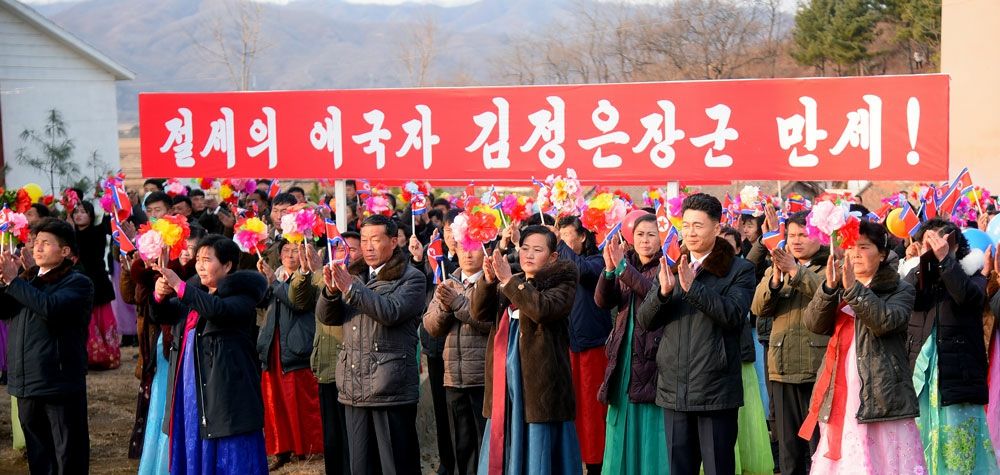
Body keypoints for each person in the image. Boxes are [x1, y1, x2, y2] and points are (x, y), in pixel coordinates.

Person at [635, 193, 756, 475]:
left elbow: (734, 315)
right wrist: (663, 294)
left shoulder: (740, 270)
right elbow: (645, 321)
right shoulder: (674, 265)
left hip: (715, 387)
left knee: (718, 467)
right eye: (686, 225)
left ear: (717, 228)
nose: (690, 232)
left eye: (698, 226)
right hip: (673, 386)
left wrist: (694, 289)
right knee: (679, 468)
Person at [802, 220, 925, 473]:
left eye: (864, 247)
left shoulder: (900, 288)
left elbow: (885, 321)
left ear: (882, 254)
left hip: (882, 390)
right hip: (841, 386)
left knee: (884, 458)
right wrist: (828, 288)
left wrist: (853, 289)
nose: (855, 253)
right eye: (850, 247)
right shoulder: (838, 285)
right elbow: (814, 324)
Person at [315, 215, 426, 475]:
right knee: (361, 464)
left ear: (394, 240)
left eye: (375, 240)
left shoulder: (411, 278)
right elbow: (327, 317)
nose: (368, 247)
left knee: (395, 464)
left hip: (390, 385)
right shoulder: (354, 273)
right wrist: (331, 292)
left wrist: (351, 289)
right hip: (354, 383)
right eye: (364, 240)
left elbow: (391, 311)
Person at [149, 235, 269, 475]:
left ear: (227, 265)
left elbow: (217, 310)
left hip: (226, 394)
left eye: (207, 260)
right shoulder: (196, 293)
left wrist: (179, 286)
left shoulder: (242, 295)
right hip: (192, 391)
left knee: (230, 457)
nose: (200, 266)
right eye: (198, 260)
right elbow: (164, 315)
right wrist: (160, 295)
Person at [472, 225, 583, 474]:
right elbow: (479, 313)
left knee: (539, 451)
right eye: (524, 249)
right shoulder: (514, 279)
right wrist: (489, 281)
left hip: (540, 385)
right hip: (504, 384)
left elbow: (542, 309)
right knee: (504, 437)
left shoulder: (563, 279)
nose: (528, 255)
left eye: (537, 250)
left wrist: (509, 281)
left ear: (553, 256)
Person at [899, 218, 996, 473]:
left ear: (955, 245)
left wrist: (945, 262)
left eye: (940, 243)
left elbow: (967, 297)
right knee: (919, 446)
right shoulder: (914, 277)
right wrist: (923, 264)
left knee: (959, 452)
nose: (933, 248)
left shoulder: (974, 275)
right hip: (920, 377)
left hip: (958, 378)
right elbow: (908, 299)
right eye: (927, 243)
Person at [0, 217, 94, 473]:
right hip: (26, 382)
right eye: (35, 242)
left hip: (59, 382)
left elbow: (49, 308)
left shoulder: (77, 282)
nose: (37, 248)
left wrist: (15, 281)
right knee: (39, 454)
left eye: (45, 243)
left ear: (64, 251)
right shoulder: (29, 280)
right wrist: (8, 280)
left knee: (68, 453)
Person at [750, 211, 829, 475]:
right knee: (788, 449)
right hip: (782, 369)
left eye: (803, 234)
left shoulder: (831, 263)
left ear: (819, 235)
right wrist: (774, 279)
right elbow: (758, 307)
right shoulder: (777, 266)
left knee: (820, 446)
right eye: (792, 235)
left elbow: (828, 295)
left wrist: (795, 271)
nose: (796, 241)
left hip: (818, 369)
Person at [594, 213, 669, 475]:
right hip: (624, 353)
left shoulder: (666, 265)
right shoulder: (626, 264)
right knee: (619, 423)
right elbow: (603, 301)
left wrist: (624, 270)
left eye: (651, 234)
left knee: (651, 427)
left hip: (652, 357)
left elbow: (654, 293)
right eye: (639, 235)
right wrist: (608, 270)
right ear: (631, 238)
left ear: (662, 238)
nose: (645, 240)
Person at [424, 244, 492, 475]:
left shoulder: (491, 283)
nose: (468, 253)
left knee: (486, 442)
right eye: (463, 248)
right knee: (461, 444)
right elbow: (431, 327)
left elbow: (489, 324)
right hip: (454, 377)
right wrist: (444, 306)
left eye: (474, 248)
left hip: (484, 377)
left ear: (485, 251)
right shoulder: (448, 282)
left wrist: (458, 304)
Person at [256, 240, 323, 470]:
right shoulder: (276, 274)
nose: (290, 255)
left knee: (301, 400)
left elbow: (298, 302)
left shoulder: (311, 276)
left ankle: (308, 447)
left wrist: (274, 283)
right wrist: (264, 281)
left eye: (296, 250)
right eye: (286, 250)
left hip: (296, 345)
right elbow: (263, 303)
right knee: (275, 401)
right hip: (273, 344)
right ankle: (280, 448)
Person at [554, 216, 611, 475]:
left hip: (593, 347)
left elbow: (580, 269)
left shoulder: (597, 262)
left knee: (592, 412)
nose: (562, 241)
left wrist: (557, 243)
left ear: (583, 236)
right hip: (564, 347)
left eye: (567, 235)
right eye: (560, 235)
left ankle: (596, 464)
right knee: (570, 408)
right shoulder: (556, 264)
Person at [296, 241, 350, 475]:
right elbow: (298, 299)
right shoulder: (320, 274)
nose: (339, 255)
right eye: (335, 249)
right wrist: (305, 271)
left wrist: (318, 271)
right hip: (326, 363)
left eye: (347, 249)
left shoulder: (356, 278)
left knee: (351, 435)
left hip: (350, 367)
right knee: (332, 434)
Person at [71, 201, 121, 370]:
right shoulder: (69, 235)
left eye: (83, 211)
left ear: (91, 215)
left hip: (98, 282)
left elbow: (110, 224)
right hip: (77, 283)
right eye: (75, 212)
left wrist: (109, 205)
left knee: (102, 319)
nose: (78, 215)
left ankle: (107, 355)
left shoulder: (98, 231)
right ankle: (88, 356)